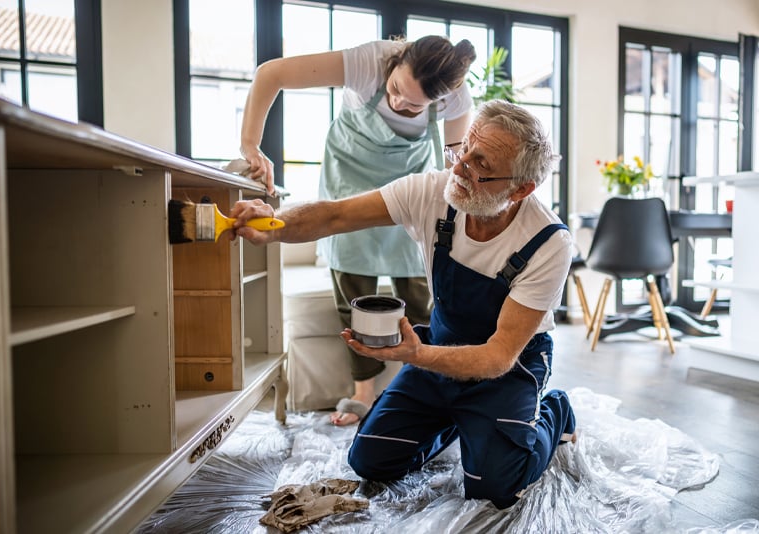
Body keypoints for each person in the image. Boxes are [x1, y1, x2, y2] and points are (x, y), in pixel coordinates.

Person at [229, 100, 577, 509]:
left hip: (508, 367)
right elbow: (335, 216)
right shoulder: (434, 192)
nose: (460, 167)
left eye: (479, 163)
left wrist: (416, 354)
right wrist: (274, 225)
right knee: (371, 462)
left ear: (520, 189)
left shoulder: (548, 243)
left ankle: (556, 410)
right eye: (462, 149)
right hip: (441, 346)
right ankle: (457, 420)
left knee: (495, 488)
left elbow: (498, 356)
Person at [240, 35, 477, 425]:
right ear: (396, 61)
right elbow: (272, 74)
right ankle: (363, 391)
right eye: (397, 89)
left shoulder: (456, 98)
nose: (400, 103)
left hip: (408, 186)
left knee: (420, 296)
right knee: (354, 291)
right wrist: (251, 145)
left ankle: (417, 390)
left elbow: (454, 167)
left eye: (415, 105)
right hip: (349, 176)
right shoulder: (368, 62)